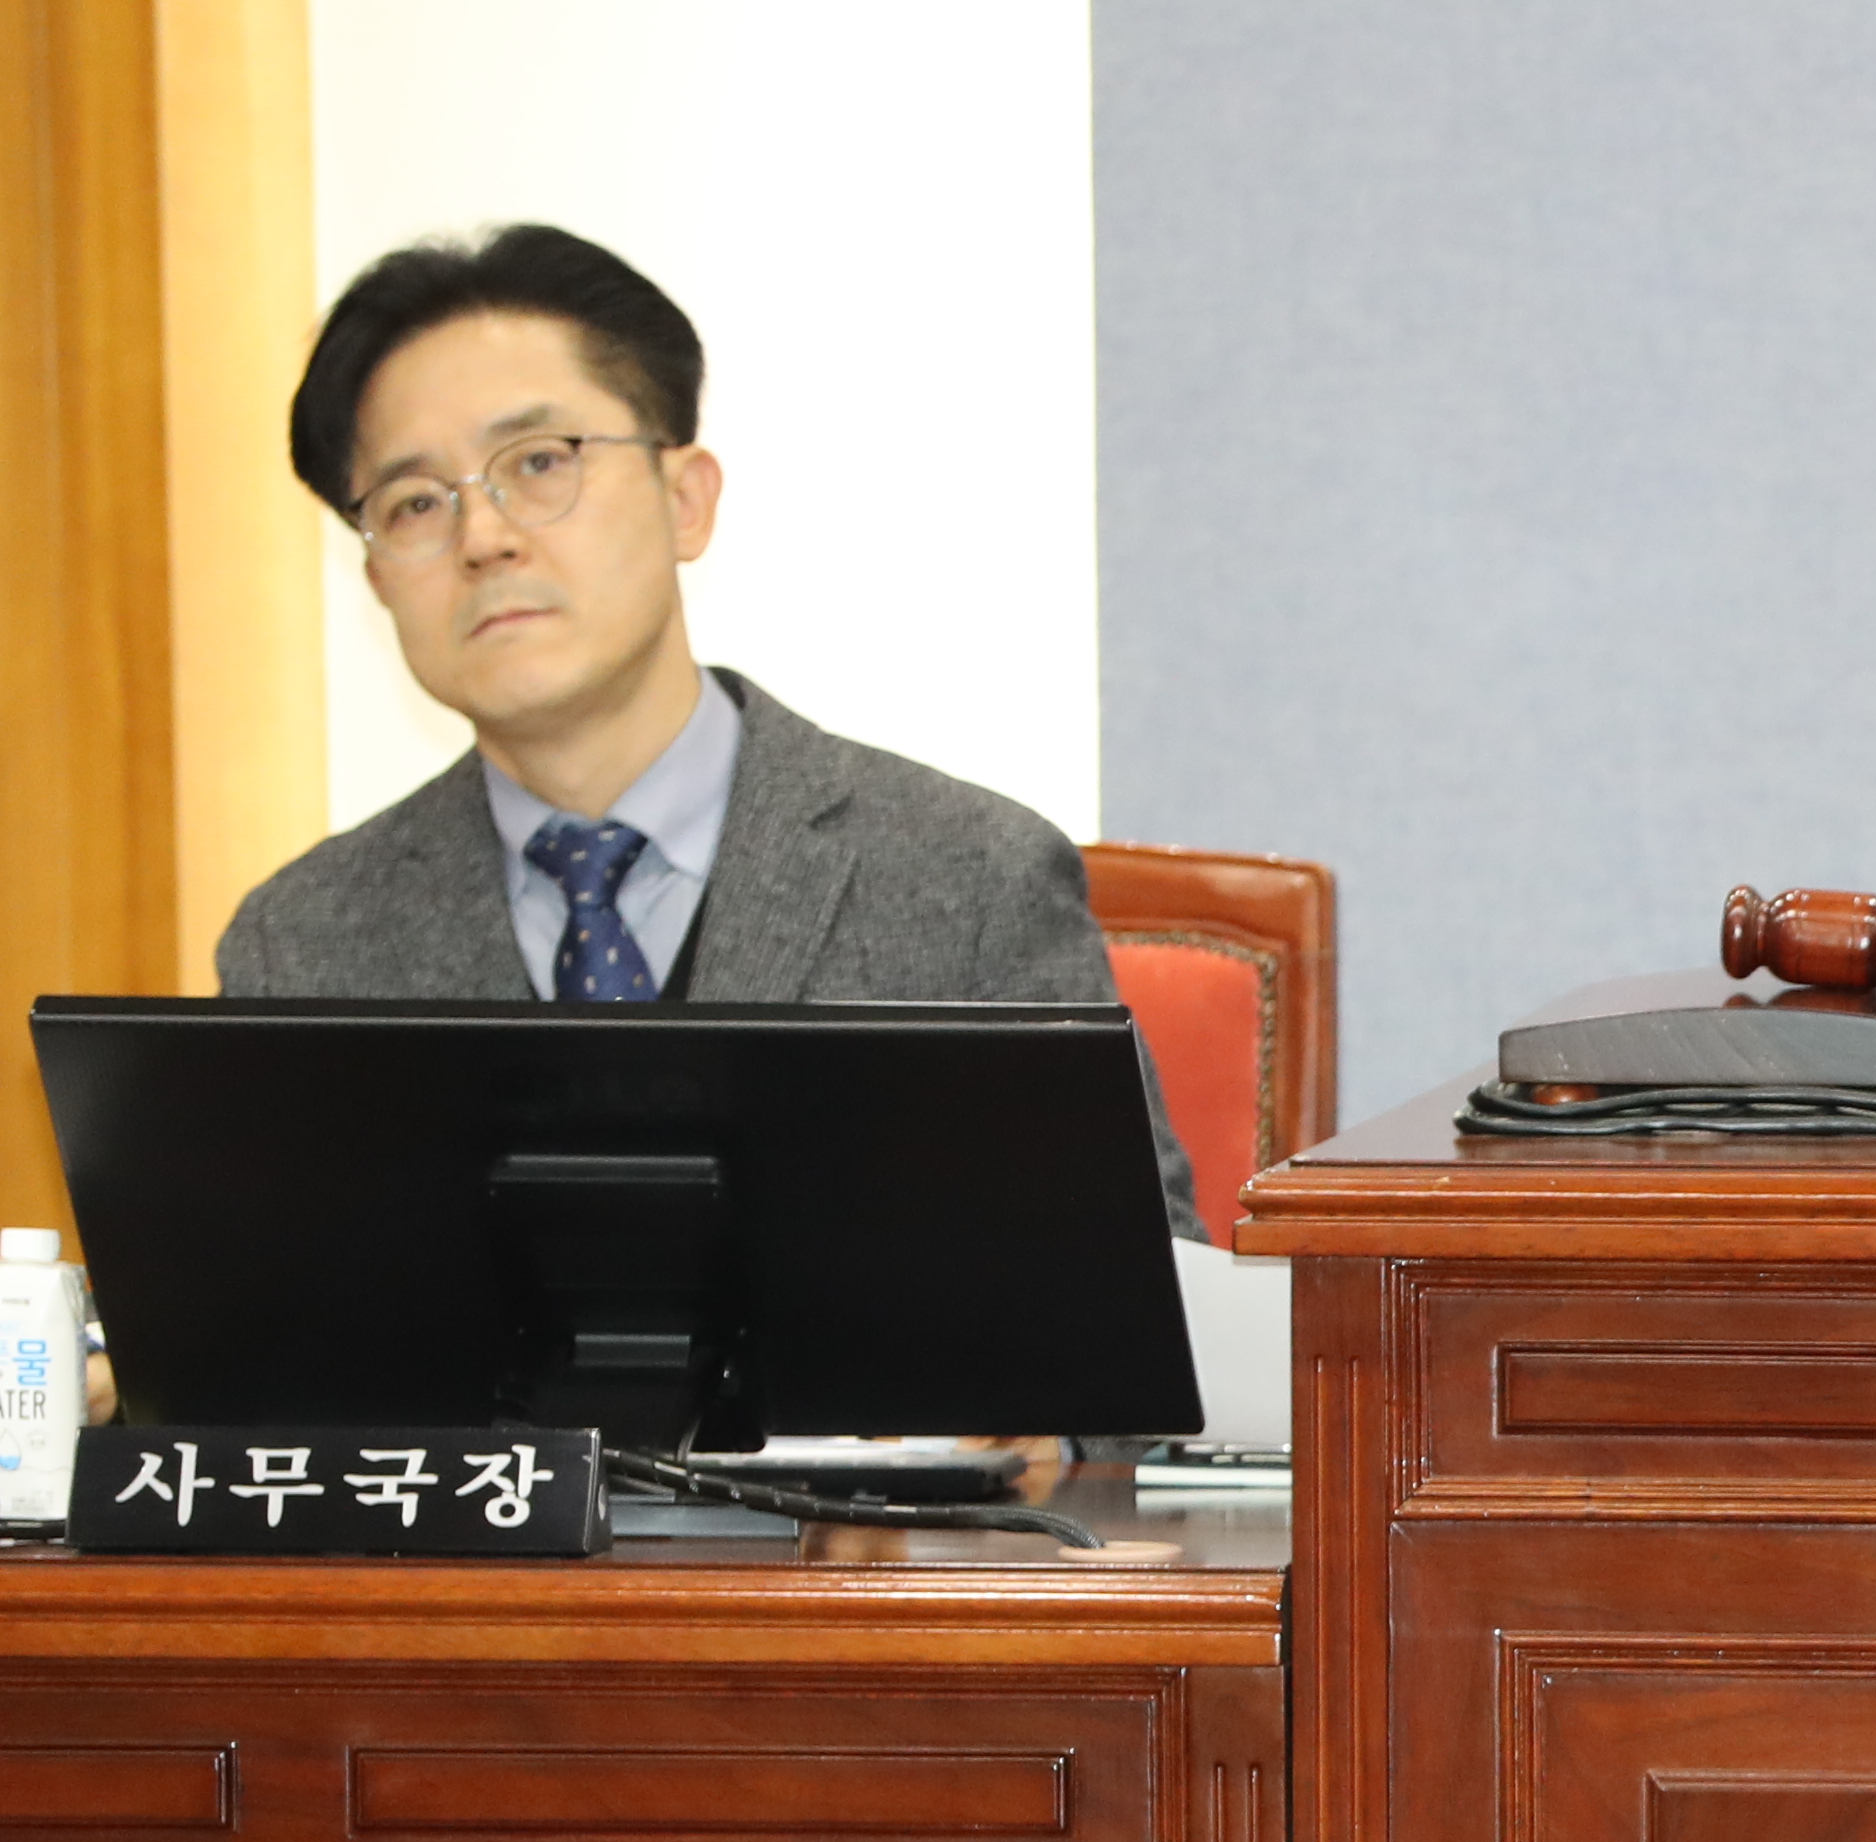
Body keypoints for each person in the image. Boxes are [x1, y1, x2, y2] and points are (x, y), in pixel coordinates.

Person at [221, 225, 1193, 1230]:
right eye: (416, 500)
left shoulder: (967, 882)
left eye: (540, 461)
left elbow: (1151, 1308)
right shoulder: (299, 947)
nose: (484, 536)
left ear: (685, 500)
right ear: (377, 573)